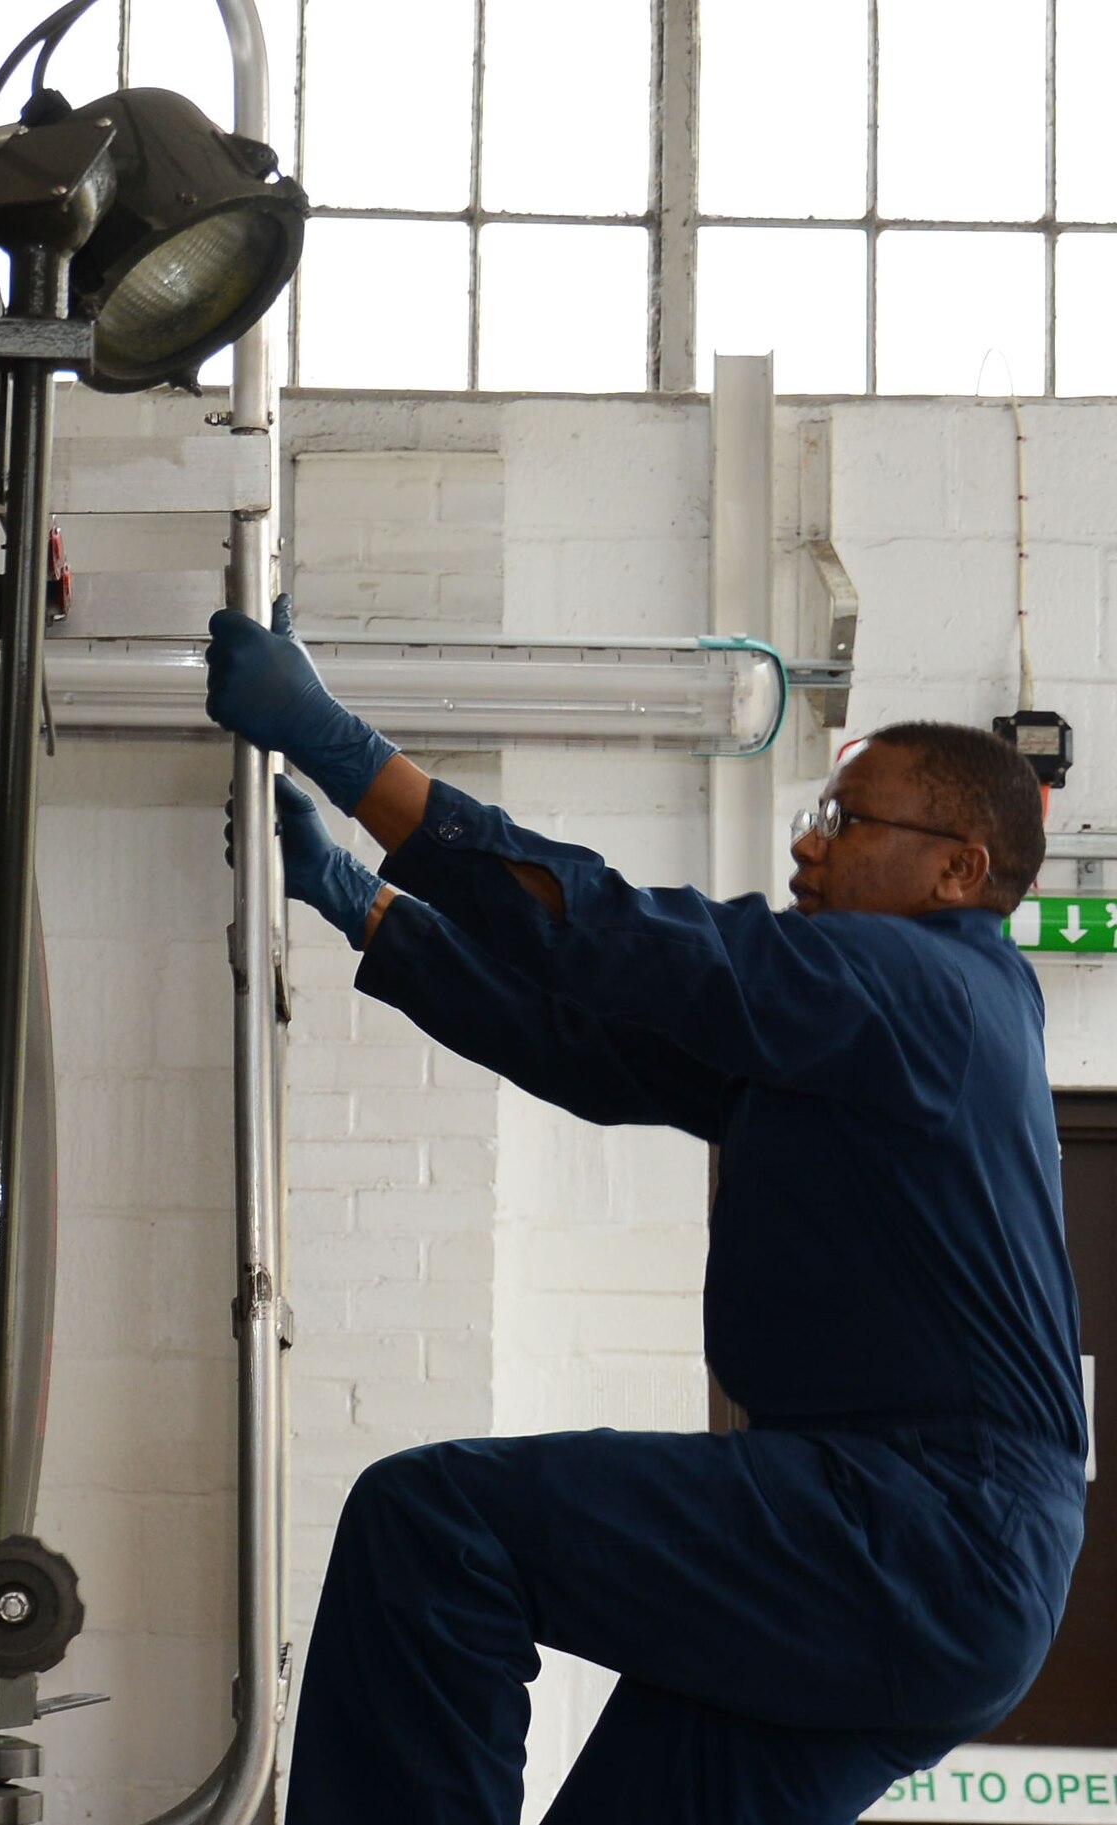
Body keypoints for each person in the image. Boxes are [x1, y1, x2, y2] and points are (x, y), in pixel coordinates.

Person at [204, 601, 1087, 1825]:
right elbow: (592, 1046)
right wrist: (365, 907)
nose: (806, 853)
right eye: (812, 819)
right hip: (938, 1577)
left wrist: (345, 750)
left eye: (844, 822)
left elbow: (620, 938)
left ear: (956, 870)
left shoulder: (925, 983)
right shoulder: (870, 1032)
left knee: (440, 1526)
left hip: (920, 1529)